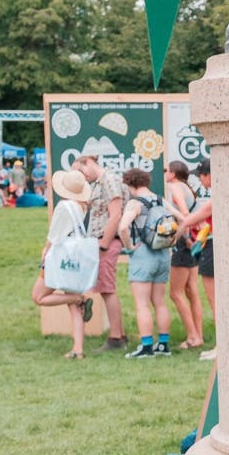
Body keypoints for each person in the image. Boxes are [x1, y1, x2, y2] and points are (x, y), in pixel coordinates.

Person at [32, 171, 94, 359]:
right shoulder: (83, 207)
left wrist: (45, 253)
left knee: (38, 297)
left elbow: (54, 236)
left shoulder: (64, 207)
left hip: (59, 259)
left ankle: (77, 298)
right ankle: (78, 348)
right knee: (72, 304)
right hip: (77, 260)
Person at [75, 154, 130, 349]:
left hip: (106, 241)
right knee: (106, 289)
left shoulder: (109, 180)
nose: (81, 177)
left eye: (80, 172)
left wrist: (104, 244)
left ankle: (115, 338)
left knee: (107, 289)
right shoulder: (98, 183)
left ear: (88, 163)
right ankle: (120, 334)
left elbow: (116, 215)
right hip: (100, 241)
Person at [119, 168, 172, 358]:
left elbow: (123, 227)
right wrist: (172, 241)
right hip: (163, 254)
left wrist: (129, 247)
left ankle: (147, 346)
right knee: (160, 302)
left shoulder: (134, 203)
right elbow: (181, 220)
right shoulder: (160, 200)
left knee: (142, 304)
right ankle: (163, 345)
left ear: (130, 184)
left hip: (143, 255)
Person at [163, 161, 205, 351]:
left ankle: (192, 336)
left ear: (173, 174)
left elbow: (185, 213)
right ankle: (199, 335)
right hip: (196, 240)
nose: (164, 174)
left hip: (184, 240)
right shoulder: (189, 187)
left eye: (166, 171)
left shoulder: (175, 187)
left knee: (176, 293)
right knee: (191, 290)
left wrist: (185, 236)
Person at [184, 158, 218, 361]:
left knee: (215, 300)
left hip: (212, 247)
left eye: (202, 177)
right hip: (212, 245)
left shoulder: (218, 194)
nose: (202, 181)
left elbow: (198, 216)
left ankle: (222, 345)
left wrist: (178, 228)